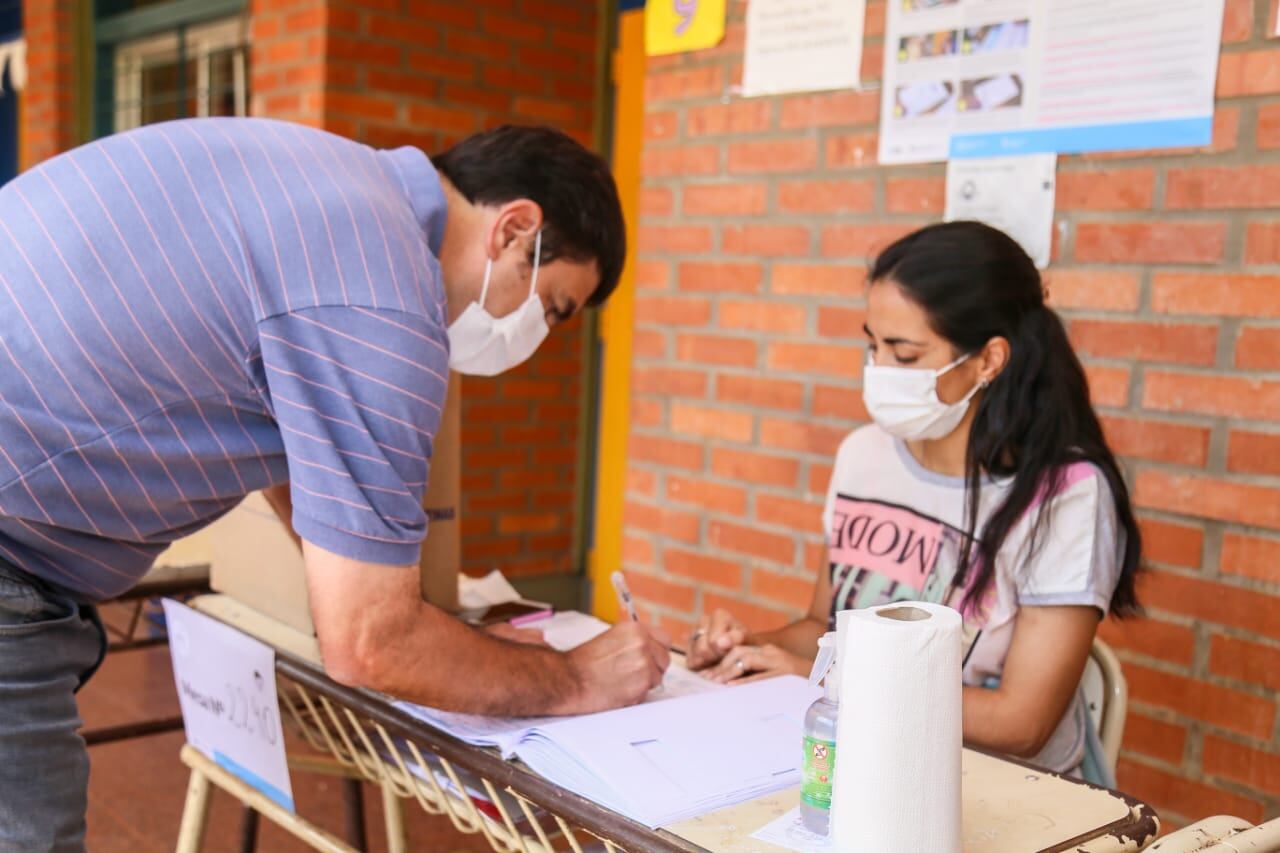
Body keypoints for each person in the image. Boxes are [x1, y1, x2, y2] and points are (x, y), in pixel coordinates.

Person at [0, 118, 667, 851]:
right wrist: (569, 677)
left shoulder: (336, 185)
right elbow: (368, 643)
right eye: (550, 306)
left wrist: (399, 603)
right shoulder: (386, 303)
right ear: (514, 229)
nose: (530, 334)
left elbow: (301, 455)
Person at [686, 221, 1141, 779]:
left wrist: (816, 676)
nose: (878, 371)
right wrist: (749, 649)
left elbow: (1023, 723)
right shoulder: (863, 454)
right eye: (872, 345)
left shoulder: (1065, 494)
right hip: (862, 763)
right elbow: (820, 625)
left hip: (1001, 792)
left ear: (989, 360)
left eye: (903, 354)